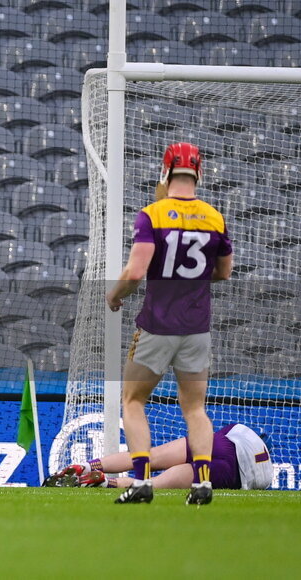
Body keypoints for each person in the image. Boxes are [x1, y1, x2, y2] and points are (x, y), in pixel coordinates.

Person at [105, 142, 233, 505]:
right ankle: (204, 483)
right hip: (197, 329)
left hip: (157, 326)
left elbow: (135, 271)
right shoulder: (214, 217)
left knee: (133, 400)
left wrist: (115, 295)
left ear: (166, 172)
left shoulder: (152, 214)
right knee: (194, 408)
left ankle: (142, 480)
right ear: (199, 173)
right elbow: (224, 272)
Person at [45, 423, 273, 490]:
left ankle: (84, 466)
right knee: (153, 484)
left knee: (149, 456)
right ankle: (105, 482)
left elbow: (225, 432)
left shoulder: (243, 431)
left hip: (222, 444)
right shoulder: (267, 473)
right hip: (232, 472)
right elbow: (256, 485)